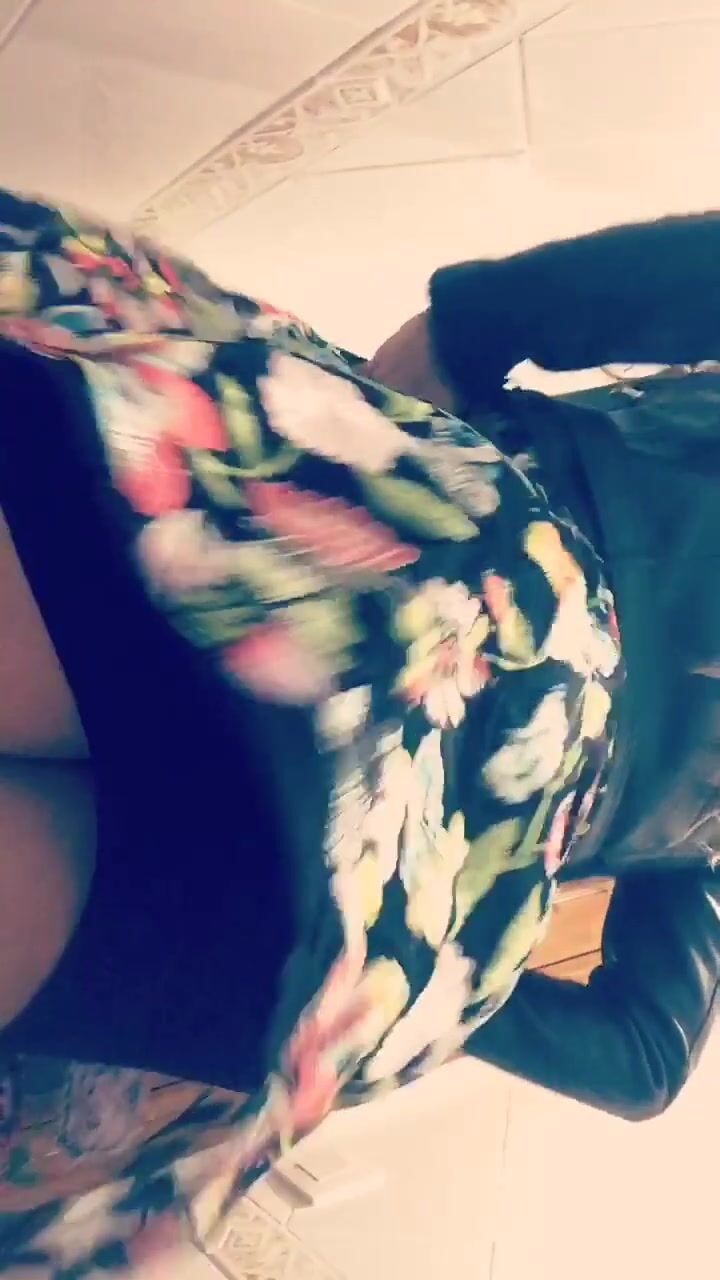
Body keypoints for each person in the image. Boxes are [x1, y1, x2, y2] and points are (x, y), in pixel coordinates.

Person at [0, 188, 621, 1273]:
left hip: (477, 592)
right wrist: (442, 951)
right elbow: (642, 1061)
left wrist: (467, 325)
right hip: (431, 877)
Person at [367, 213, 720, 1118]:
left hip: (383, 812)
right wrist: (471, 324)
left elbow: (644, 1063)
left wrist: (398, 966)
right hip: (440, 545)